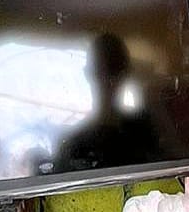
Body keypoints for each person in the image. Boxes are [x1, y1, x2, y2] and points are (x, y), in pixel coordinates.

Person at [55, 33, 159, 173]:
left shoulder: (149, 129)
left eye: (114, 69)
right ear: (88, 74)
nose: (108, 79)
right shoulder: (72, 146)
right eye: (101, 70)